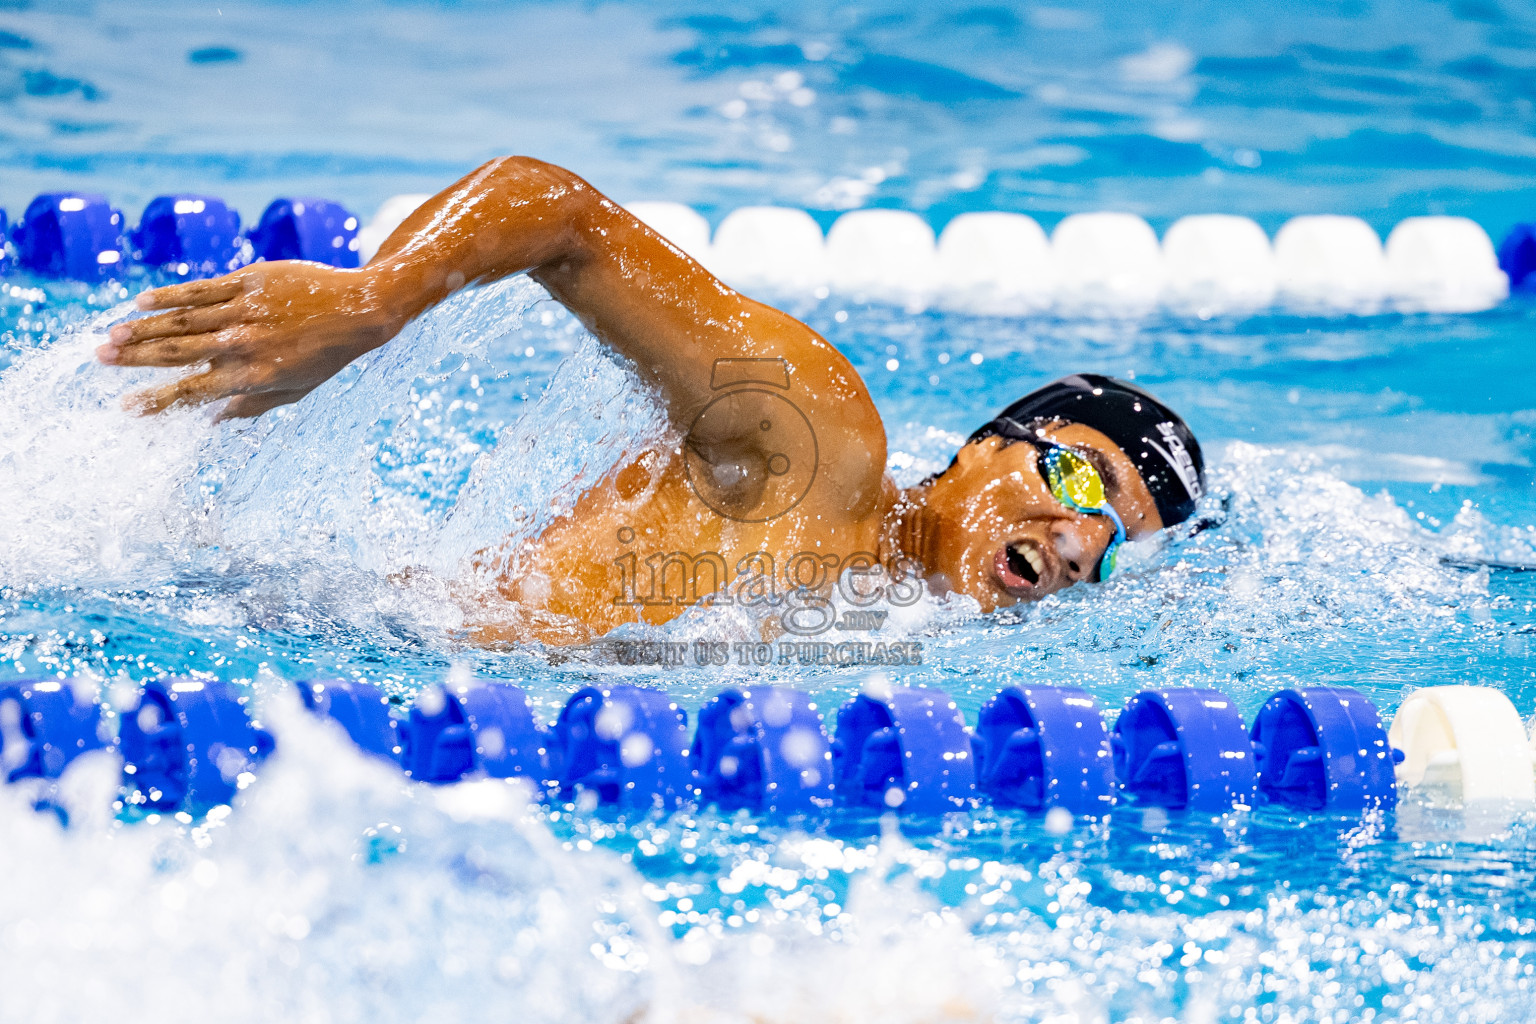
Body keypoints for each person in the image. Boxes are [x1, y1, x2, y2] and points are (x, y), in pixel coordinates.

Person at [96, 156, 1205, 645]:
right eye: (1078, 476)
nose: (1074, 540)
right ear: (980, 446)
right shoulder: (819, 444)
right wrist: (374, 303)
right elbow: (559, 212)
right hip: (338, 645)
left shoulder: (899, 631)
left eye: (1112, 547)